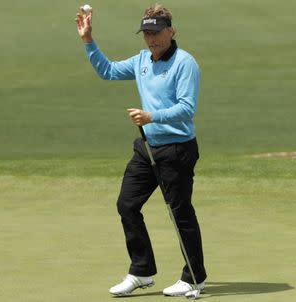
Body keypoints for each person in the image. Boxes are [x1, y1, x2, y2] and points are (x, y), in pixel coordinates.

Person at [75, 3, 207, 297]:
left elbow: (187, 109)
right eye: (147, 33)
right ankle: (142, 271)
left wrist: (151, 117)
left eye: (157, 32)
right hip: (147, 149)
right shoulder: (141, 60)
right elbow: (107, 71)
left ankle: (194, 276)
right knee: (127, 204)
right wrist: (88, 40)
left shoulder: (185, 63)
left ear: (171, 31)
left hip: (177, 149)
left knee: (180, 212)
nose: (152, 39)